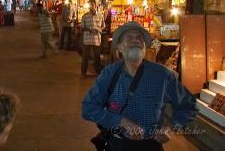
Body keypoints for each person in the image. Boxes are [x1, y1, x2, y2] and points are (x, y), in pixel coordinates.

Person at [81, 21, 197, 151]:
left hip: (151, 145)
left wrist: (170, 127)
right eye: (129, 37)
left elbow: (189, 105)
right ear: (119, 47)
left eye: (140, 38)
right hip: (117, 144)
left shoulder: (163, 75)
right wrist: (120, 121)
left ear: (145, 47)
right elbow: (88, 108)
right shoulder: (110, 73)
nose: (135, 40)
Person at [80, 0, 105, 76]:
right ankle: (83, 72)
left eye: (92, 5)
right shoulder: (85, 16)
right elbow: (82, 28)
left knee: (97, 57)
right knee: (85, 57)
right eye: (89, 5)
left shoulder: (100, 15)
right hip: (87, 40)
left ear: (95, 5)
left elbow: (103, 26)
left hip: (97, 40)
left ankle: (98, 72)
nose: (91, 6)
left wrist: (100, 29)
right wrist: (88, 29)